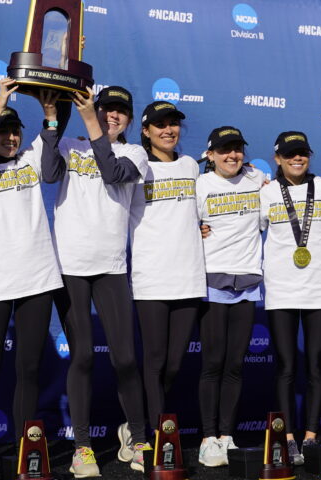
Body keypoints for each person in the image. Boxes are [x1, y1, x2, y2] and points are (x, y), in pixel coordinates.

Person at [43, 85, 150, 476]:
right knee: (83, 356)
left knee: (124, 358)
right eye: (106, 109)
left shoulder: (135, 154)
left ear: (129, 119)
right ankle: (83, 448)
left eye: (121, 111)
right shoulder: (70, 143)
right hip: (70, 265)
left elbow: (111, 173)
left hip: (111, 267)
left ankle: (138, 439)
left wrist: (91, 122)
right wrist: (53, 119)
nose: (113, 116)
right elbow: (48, 173)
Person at [0, 78, 64, 471]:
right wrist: (0, 104)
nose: (8, 136)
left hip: (37, 278)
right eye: (1, 129)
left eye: (13, 130)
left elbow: (52, 160)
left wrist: (51, 116)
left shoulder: (30, 159)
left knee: (29, 367)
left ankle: (28, 453)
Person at [260, 132, 321, 465]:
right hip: (281, 290)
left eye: (303, 153)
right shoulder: (265, 193)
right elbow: (244, 228)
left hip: (320, 290)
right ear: (278, 158)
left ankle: (310, 437)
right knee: (287, 367)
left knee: (316, 366)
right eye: (290, 154)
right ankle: (288, 437)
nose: (297, 159)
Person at [129, 101, 205, 441]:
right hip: (151, 277)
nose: (168, 130)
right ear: (146, 131)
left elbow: (205, 206)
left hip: (189, 276)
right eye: (160, 125)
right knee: (156, 361)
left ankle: (143, 425)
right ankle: (158, 437)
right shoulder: (136, 166)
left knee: (174, 364)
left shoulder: (191, 165)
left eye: (173, 123)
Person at [195, 126, 264, 467]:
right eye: (224, 149)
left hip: (248, 283)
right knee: (212, 364)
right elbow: (181, 223)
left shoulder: (256, 179)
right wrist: (196, 227)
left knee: (235, 365)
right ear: (210, 155)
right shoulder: (200, 184)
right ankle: (207, 438)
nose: (232, 155)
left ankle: (226, 436)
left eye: (237, 148)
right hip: (211, 282)